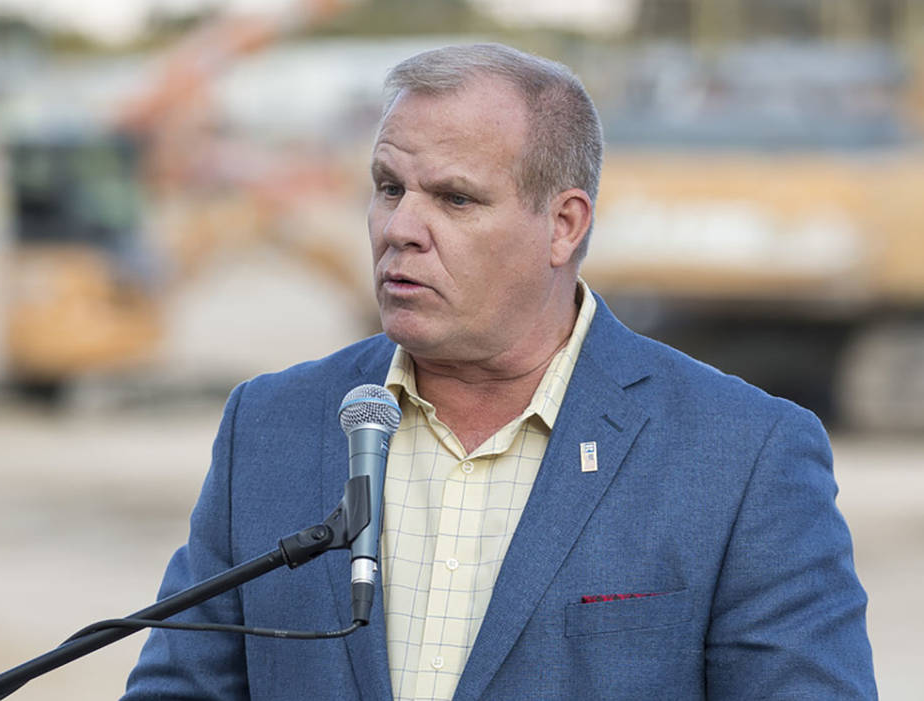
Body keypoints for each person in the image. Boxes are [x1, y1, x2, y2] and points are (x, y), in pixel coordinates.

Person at [123, 43, 876, 700]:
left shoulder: (742, 454)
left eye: (454, 198)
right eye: (389, 188)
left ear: (564, 224)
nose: (400, 230)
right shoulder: (271, 424)